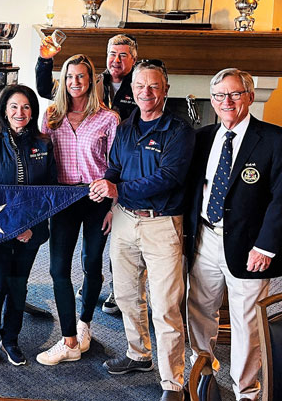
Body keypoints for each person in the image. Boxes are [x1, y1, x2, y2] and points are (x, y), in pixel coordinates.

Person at [90, 60, 193, 401]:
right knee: (126, 295)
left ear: (165, 91)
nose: (145, 92)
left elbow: (169, 177)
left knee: (164, 306)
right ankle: (138, 353)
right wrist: (109, 200)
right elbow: (115, 168)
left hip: (161, 223)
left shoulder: (179, 131)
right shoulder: (125, 128)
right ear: (131, 90)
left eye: (153, 86)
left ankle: (173, 382)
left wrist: (118, 191)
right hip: (123, 220)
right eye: (139, 86)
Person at [185, 68, 282, 400]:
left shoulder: (274, 140)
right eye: (219, 95)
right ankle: (204, 376)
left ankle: (247, 391)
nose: (227, 101)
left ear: (250, 97)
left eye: (235, 94)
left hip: (251, 247)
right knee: (198, 311)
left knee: (246, 324)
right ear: (211, 100)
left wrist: (266, 247)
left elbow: (281, 198)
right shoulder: (202, 138)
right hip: (205, 239)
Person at [35, 55, 120, 366]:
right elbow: (40, 157)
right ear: (64, 78)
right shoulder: (51, 116)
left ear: (91, 80)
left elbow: (117, 165)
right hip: (63, 198)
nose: (75, 82)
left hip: (96, 198)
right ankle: (68, 338)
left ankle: (84, 324)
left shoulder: (108, 119)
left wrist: (113, 204)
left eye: (81, 76)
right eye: (70, 76)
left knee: (91, 263)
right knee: (58, 268)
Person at [0, 84, 56, 366]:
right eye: (14, 107)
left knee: (19, 287)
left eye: (26, 107)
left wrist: (29, 226)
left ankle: (10, 339)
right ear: (4, 111)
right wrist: (11, 226)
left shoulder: (44, 144)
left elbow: (48, 192)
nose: (20, 112)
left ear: (32, 112)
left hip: (31, 231)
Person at [36, 33, 138, 120]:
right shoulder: (92, 82)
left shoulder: (141, 87)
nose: (116, 60)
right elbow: (47, 89)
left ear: (134, 60)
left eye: (123, 55)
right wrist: (45, 60)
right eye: (112, 54)